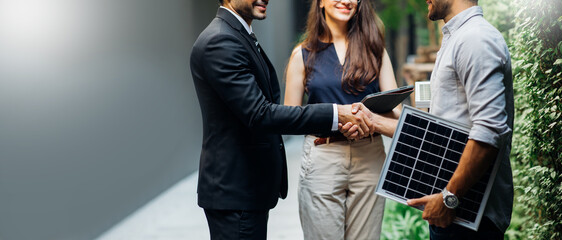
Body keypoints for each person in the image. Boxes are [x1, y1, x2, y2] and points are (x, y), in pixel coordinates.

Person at [189, 0, 373, 239]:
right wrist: (336, 114)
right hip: (235, 192)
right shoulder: (220, 41)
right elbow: (260, 113)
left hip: (245, 191)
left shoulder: (238, 35)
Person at [344, 0, 514, 239]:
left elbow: (489, 131)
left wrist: (449, 197)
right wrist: (373, 121)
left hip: (469, 213)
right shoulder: (457, 37)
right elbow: (440, 131)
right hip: (454, 208)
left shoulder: (476, 39)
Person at [283, 0, 400, 239]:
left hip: (370, 158)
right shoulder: (302, 54)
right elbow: (289, 118)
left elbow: (398, 115)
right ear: (320, 2)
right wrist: (336, 119)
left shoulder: (376, 50)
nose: (346, 1)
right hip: (323, 158)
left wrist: (366, 120)